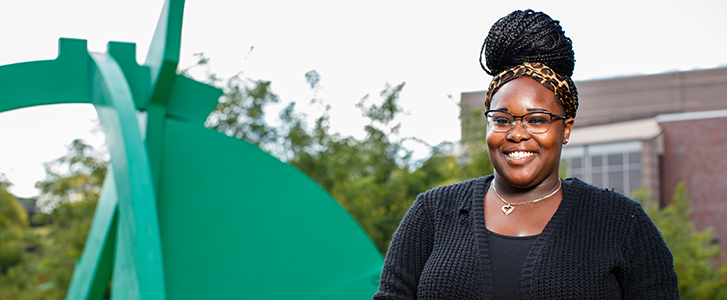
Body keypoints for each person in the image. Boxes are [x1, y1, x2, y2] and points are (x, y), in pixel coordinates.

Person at [373, 9, 680, 300]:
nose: (517, 133)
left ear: (566, 128)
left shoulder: (620, 221)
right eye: (502, 120)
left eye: (536, 120)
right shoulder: (432, 214)